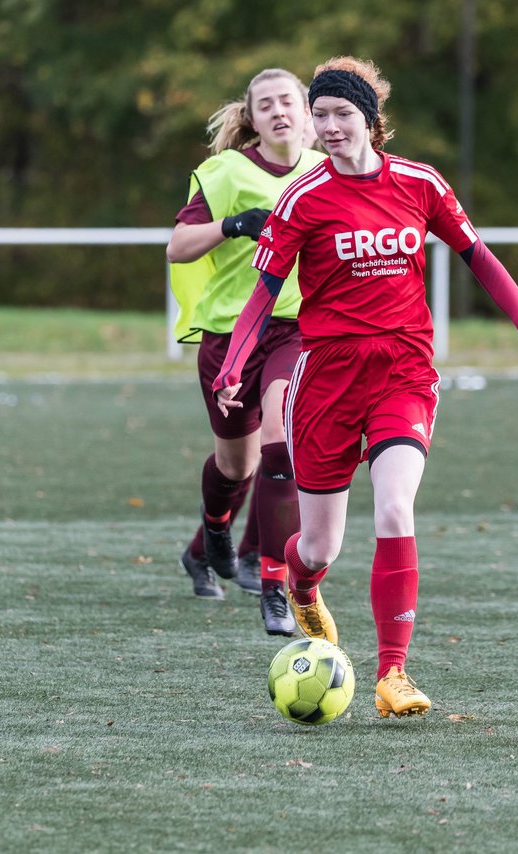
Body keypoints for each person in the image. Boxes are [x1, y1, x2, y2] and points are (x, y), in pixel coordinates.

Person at [213, 57, 518, 717]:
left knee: (396, 509)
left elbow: (478, 258)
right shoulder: (302, 199)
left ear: (371, 120)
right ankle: (302, 581)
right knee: (319, 547)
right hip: (327, 382)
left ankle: (393, 673)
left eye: (342, 114)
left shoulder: (420, 183)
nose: (329, 126)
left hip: (404, 371)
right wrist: (235, 362)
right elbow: (263, 293)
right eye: (321, 116)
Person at [167, 68, 326, 636]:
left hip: (297, 331)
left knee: (281, 440)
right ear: (252, 119)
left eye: (289, 101)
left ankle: (274, 586)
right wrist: (232, 225)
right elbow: (177, 248)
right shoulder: (225, 171)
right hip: (231, 336)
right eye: (266, 105)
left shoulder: (326, 173)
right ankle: (208, 536)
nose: (279, 111)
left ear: (308, 113)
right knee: (238, 464)